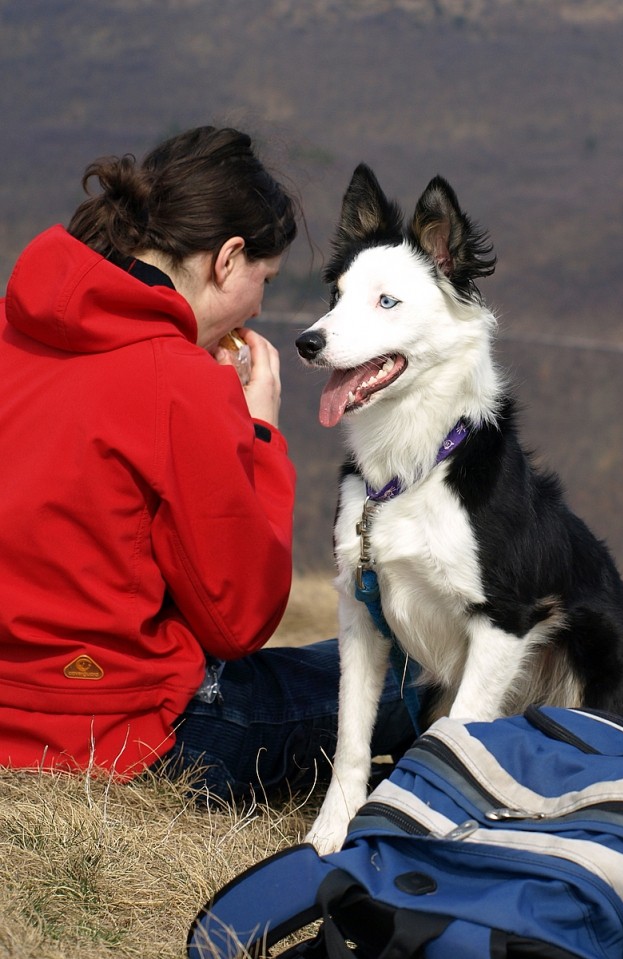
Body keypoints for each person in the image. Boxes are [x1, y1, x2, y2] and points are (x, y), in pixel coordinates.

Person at [0, 125, 417, 802]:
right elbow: (239, 620)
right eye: (265, 279)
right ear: (227, 259)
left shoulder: (9, 328)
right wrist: (256, 431)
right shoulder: (180, 382)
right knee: (412, 670)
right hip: (132, 734)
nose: (258, 306)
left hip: (10, 715)